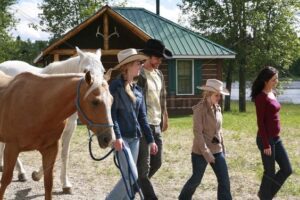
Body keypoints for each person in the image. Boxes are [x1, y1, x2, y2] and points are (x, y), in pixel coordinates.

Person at [106, 48, 158, 200]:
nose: (141, 65)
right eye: (138, 63)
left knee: (131, 177)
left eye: (141, 62)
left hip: (135, 139)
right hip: (121, 140)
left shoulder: (138, 90)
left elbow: (142, 119)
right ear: (127, 66)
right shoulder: (115, 87)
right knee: (132, 175)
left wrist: (150, 140)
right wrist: (117, 136)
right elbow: (112, 114)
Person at [179, 79, 232, 200]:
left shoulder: (218, 108)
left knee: (224, 180)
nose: (219, 97)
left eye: (220, 95)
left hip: (217, 150)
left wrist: (223, 149)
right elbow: (198, 133)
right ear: (208, 94)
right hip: (200, 152)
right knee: (196, 180)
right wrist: (207, 153)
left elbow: (219, 131)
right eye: (216, 95)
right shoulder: (199, 109)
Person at [137, 38, 172, 200]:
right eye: (157, 58)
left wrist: (165, 115)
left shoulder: (159, 74)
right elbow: (136, 103)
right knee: (143, 169)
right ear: (149, 57)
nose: (159, 61)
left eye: (160, 59)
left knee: (157, 162)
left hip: (156, 124)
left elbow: (162, 97)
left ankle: (133, 186)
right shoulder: (140, 75)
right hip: (143, 126)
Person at [250, 66, 292, 200]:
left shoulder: (272, 92)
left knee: (287, 169)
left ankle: (264, 195)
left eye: (277, 79)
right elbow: (261, 123)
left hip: (276, 138)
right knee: (270, 171)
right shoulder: (260, 98)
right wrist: (266, 144)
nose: (276, 81)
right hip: (265, 139)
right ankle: (265, 196)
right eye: (273, 80)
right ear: (265, 81)